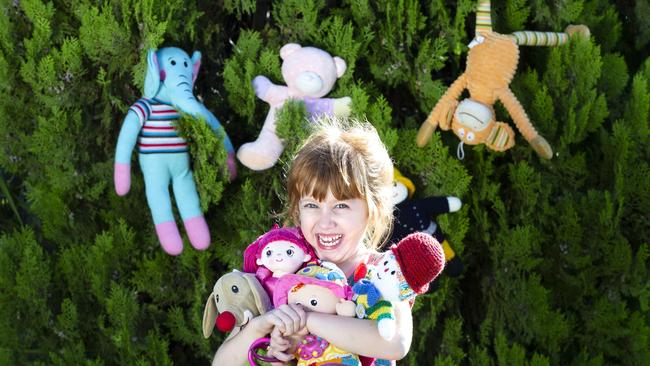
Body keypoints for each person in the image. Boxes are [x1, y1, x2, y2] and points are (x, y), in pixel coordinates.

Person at [213, 117, 412, 365]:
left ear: (374, 209)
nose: (325, 221)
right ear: (297, 209)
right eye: (311, 205)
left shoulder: (384, 272)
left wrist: (309, 319)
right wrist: (263, 327)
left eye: (340, 205)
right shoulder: (284, 271)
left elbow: (395, 344)